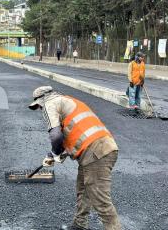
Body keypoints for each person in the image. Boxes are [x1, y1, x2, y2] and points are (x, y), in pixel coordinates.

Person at [29, 86, 121, 230]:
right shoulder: (68, 101)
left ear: (42, 99)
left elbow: (56, 136)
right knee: (83, 190)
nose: (41, 109)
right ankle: (80, 225)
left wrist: (55, 152)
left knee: (101, 201)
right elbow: (76, 137)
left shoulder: (50, 103)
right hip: (101, 148)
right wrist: (53, 155)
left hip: (95, 153)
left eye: (39, 106)